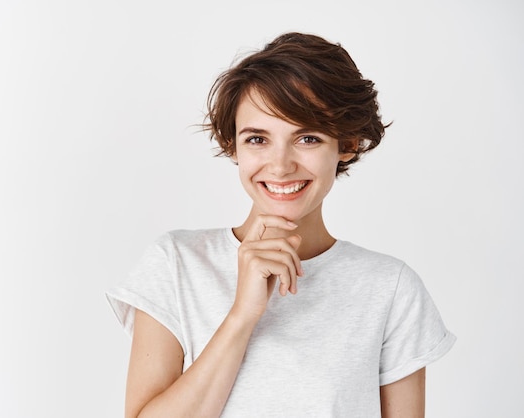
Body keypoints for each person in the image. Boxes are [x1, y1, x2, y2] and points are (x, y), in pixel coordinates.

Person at [107, 32, 455, 417]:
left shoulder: (389, 288)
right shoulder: (176, 264)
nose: (280, 165)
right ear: (233, 146)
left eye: (307, 138)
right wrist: (242, 315)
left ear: (348, 144)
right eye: (257, 139)